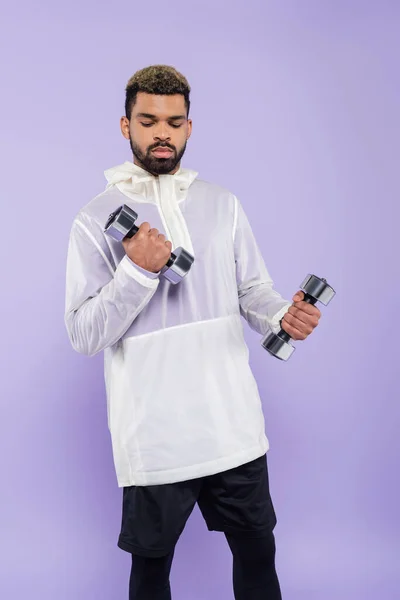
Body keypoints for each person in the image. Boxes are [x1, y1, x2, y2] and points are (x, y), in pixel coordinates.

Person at [64, 65, 321, 600]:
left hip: (232, 424)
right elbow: (84, 334)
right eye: (148, 120)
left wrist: (282, 317)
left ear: (188, 127)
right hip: (154, 434)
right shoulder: (96, 218)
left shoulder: (221, 203)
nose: (163, 132)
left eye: (174, 122)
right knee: (152, 571)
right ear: (125, 125)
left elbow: (252, 289)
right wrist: (137, 270)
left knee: (258, 554)